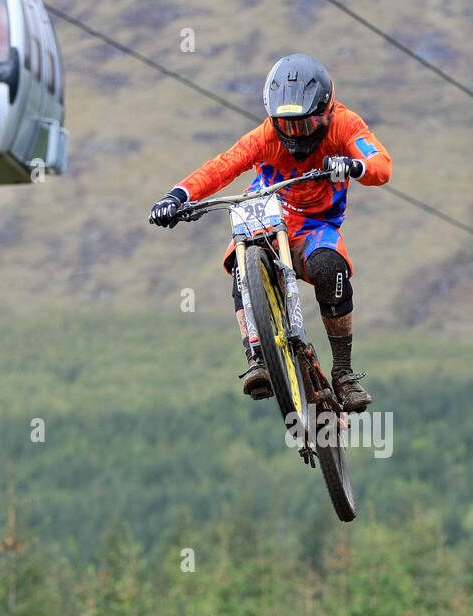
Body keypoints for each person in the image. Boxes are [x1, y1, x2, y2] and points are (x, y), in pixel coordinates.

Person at [148, 54, 391, 411]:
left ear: (326, 111)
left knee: (330, 268)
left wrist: (354, 164)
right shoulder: (264, 136)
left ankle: (343, 373)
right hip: (267, 210)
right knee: (240, 257)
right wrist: (178, 195)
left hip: (316, 226)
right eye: (286, 126)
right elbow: (223, 167)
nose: (295, 137)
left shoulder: (345, 124)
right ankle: (257, 357)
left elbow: (380, 166)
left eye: (304, 126)